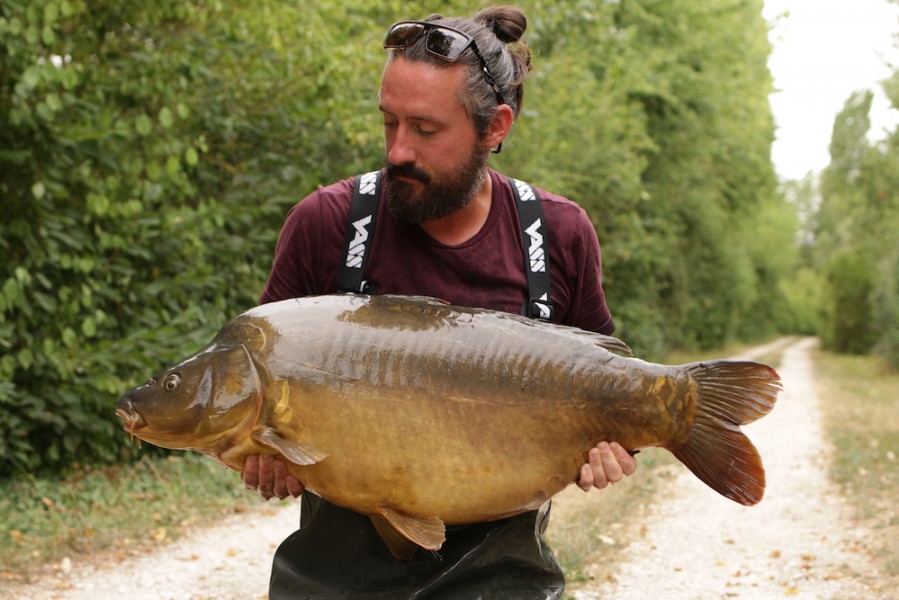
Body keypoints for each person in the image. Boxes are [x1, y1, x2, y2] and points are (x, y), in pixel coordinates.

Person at [242, 6, 637, 599]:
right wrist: (264, 455)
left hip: (503, 575)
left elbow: (613, 390)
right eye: (389, 123)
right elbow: (259, 390)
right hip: (336, 576)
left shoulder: (557, 234)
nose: (398, 150)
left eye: (425, 131)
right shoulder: (326, 223)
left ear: (495, 127)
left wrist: (614, 446)